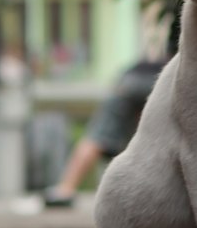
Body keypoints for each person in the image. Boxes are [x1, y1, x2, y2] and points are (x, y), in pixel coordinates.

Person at [44, 59, 167, 206]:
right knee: (156, 138)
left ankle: (66, 188)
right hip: (160, 80)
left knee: (99, 136)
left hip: (134, 78)